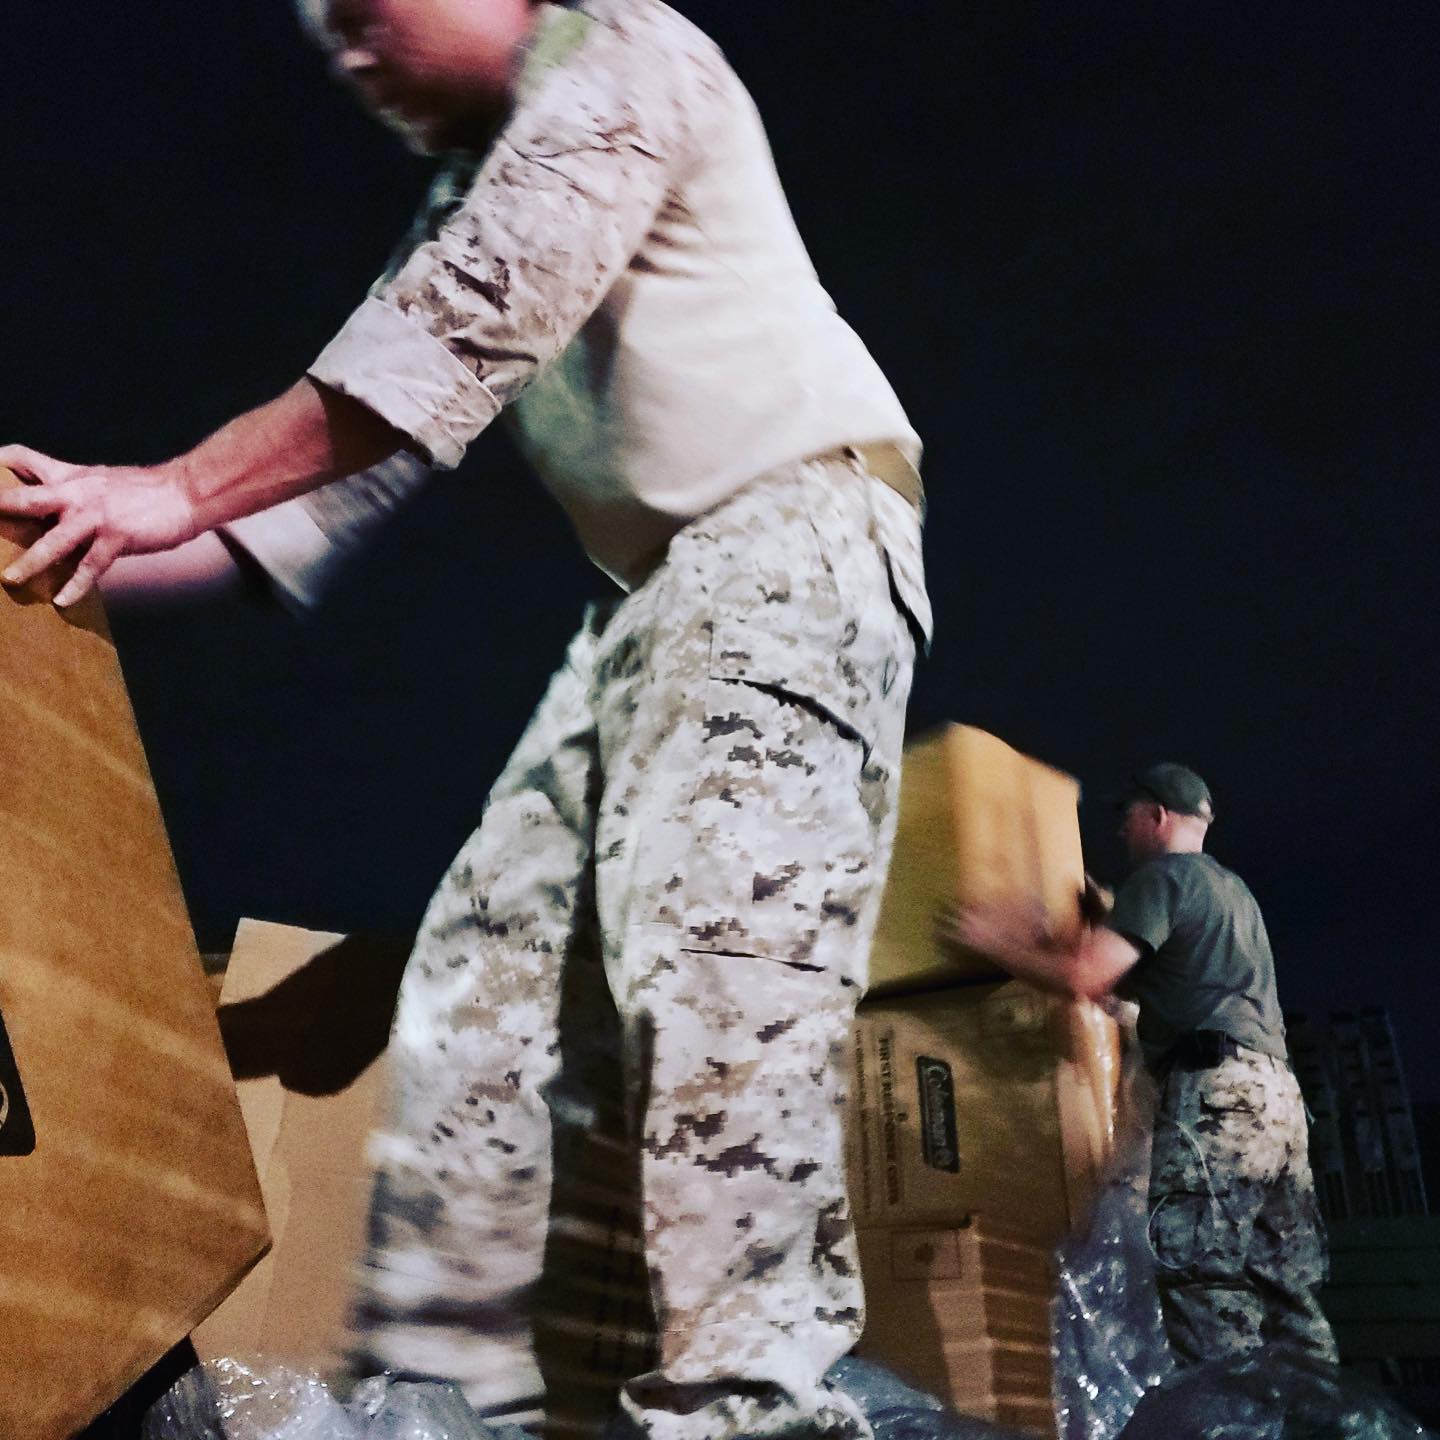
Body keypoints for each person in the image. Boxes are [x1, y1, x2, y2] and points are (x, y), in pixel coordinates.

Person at [0, 4, 930, 1439]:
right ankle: (449, 1405)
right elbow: (303, 498)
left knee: (716, 962)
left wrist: (168, 484)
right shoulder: (463, 194)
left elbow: (458, 328)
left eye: (368, 18)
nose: (351, 60)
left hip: (792, 531)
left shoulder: (623, 53)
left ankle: (750, 1407)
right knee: (478, 974)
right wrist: (64, 531)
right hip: (639, 596)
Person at [946, 762, 1337, 1369]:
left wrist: (992, 942)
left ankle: (1229, 1427)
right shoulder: (1232, 893)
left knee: (1202, 1278)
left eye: (1127, 817)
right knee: (1285, 1290)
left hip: (1217, 1095)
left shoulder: (1163, 879)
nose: (1121, 833)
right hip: (1278, 1100)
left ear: (1156, 816)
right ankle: (1326, 1421)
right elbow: (1136, 991)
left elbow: (1083, 976)